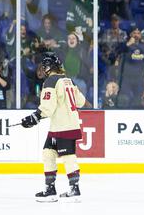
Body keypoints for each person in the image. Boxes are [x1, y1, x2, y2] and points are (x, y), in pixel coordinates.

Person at [20, 52, 91, 202]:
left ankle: (74, 189)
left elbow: (48, 107)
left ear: (50, 67)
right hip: (61, 126)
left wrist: (34, 118)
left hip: (63, 126)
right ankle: (50, 189)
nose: (44, 69)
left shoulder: (51, 81)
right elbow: (80, 101)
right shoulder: (68, 80)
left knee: (68, 156)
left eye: (45, 66)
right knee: (48, 153)